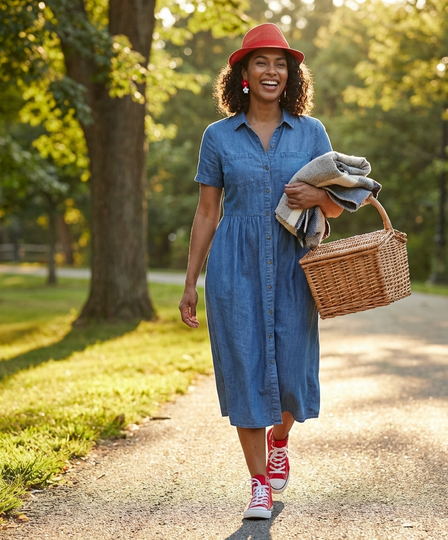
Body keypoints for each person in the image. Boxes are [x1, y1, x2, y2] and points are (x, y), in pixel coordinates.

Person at [179, 23, 343, 520]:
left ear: (291, 75)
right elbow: (208, 211)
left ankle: (280, 441)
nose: (271, 71)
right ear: (243, 74)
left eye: (280, 63)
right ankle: (257, 486)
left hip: (295, 262)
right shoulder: (218, 137)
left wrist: (319, 196)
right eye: (261, 62)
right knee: (244, 366)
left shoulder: (311, 131)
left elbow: (335, 206)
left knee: (293, 368)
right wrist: (191, 281)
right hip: (235, 265)